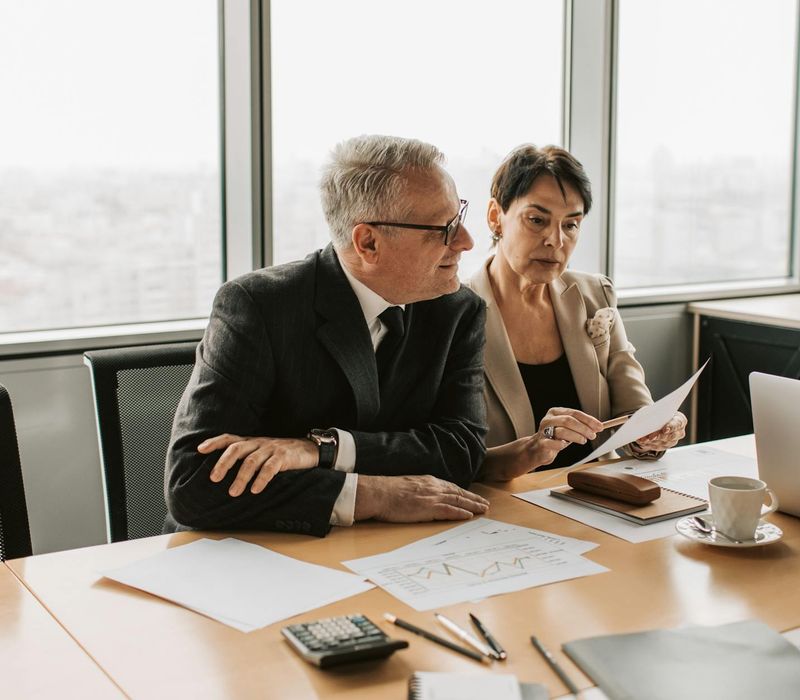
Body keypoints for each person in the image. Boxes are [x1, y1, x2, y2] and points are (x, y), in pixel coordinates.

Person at [164, 134, 490, 536]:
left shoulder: (457, 310)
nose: (466, 242)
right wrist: (374, 494)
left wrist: (322, 449)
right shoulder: (258, 306)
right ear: (368, 242)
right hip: (250, 557)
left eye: (457, 217)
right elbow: (194, 483)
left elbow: (461, 451)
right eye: (444, 229)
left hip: (387, 552)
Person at [467, 144, 686, 481]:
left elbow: (634, 411)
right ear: (496, 216)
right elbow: (447, 456)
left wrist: (653, 433)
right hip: (502, 510)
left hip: (597, 496)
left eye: (571, 225)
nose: (555, 240)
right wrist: (534, 447)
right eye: (537, 220)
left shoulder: (595, 294)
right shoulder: (453, 310)